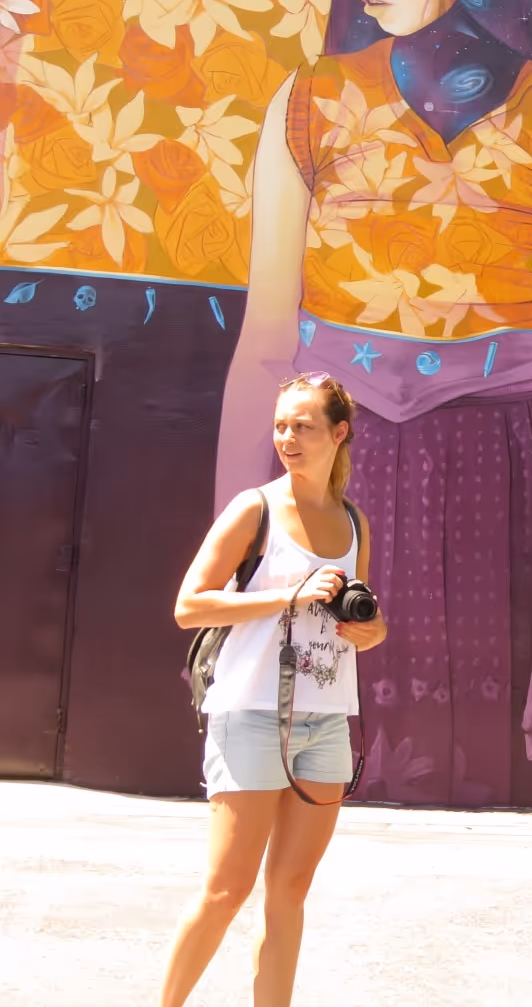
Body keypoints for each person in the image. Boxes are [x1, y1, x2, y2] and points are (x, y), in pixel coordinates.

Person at [213, 0, 532, 806]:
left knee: (484, 786)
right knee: (313, 782)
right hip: (335, 480)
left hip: (509, 480)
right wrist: (228, 561)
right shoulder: (307, 105)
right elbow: (265, 351)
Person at [163, 372, 385, 1007]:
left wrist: (370, 631)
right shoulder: (254, 508)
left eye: (304, 426)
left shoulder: (352, 521)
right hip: (251, 713)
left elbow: (364, 617)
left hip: (326, 721)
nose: (287, 437)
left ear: (338, 434)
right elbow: (189, 605)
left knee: (289, 890)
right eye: (282, 424)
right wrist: (284, 595)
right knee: (227, 890)